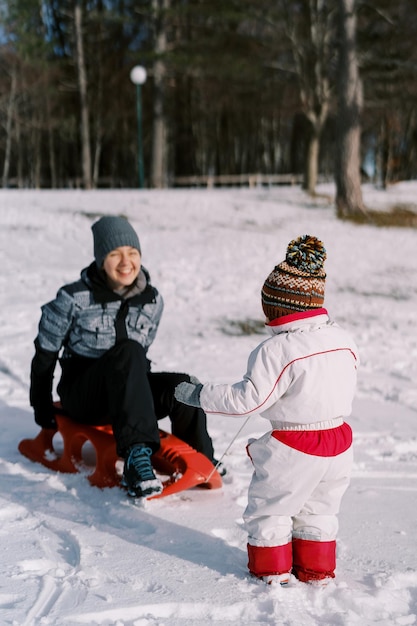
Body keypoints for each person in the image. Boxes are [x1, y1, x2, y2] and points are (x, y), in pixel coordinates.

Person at [175, 235, 359, 585]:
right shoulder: (344, 338)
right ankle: (317, 571)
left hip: (296, 446)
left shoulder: (277, 349)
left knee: (270, 509)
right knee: (319, 510)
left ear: (278, 308)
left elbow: (250, 399)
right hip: (340, 443)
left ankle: (272, 572)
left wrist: (199, 395)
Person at [30, 215, 219, 499]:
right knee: (129, 352)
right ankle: (136, 458)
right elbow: (45, 354)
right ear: (100, 260)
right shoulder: (71, 298)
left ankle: (202, 457)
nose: (125, 262)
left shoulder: (152, 300)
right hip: (84, 396)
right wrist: (42, 407)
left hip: (126, 388)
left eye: (132, 253)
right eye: (114, 254)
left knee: (183, 385)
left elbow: (140, 356)